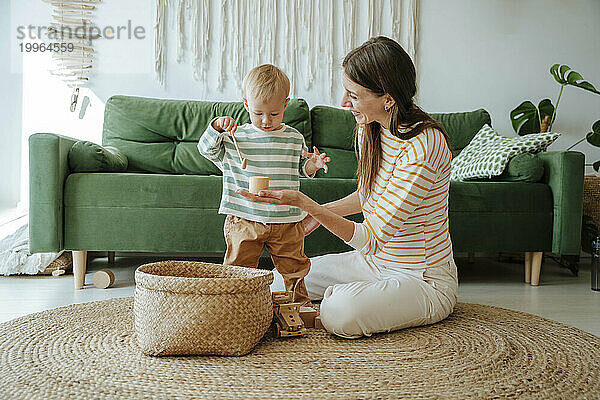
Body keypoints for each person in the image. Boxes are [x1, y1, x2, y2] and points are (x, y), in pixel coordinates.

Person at [237, 36, 458, 339]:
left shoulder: (425, 145)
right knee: (275, 282)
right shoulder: (371, 129)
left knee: (338, 312)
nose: (343, 102)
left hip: (421, 278)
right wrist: (320, 213)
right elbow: (369, 196)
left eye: (353, 95)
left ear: (387, 98)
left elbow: (371, 238)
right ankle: (364, 295)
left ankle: (356, 298)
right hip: (370, 264)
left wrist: (308, 205)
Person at [197, 64, 330, 306]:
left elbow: (301, 169)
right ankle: (233, 309)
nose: (266, 121)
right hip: (245, 219)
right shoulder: (236, 137)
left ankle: (299, 308)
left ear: (285, 105)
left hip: (286, 221)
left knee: (295, 270)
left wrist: (315, 165)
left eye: (274, 114)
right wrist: (216, 126)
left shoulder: (293, 137)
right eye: (258, 113)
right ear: (246, 104)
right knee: (238, 270)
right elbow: (206, 149)